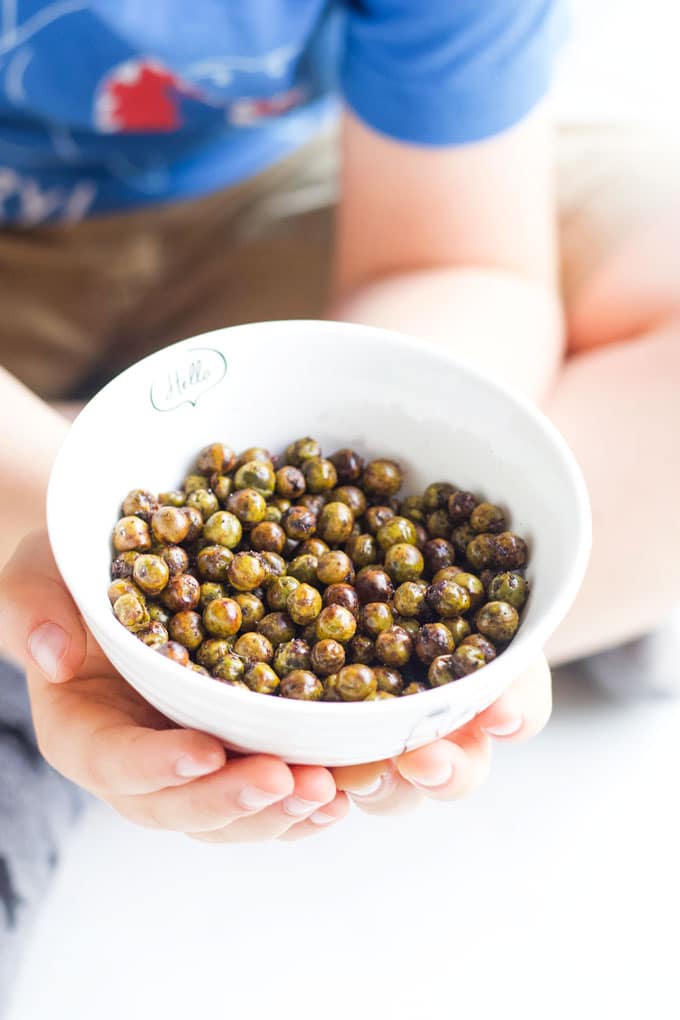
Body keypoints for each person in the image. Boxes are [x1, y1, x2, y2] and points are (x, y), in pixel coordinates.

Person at [0, 0, 678, 1008]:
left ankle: (61, 655)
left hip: (308, 183)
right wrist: (54, 509)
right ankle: (50, 660)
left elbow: (447, 260)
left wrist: (408, 437)